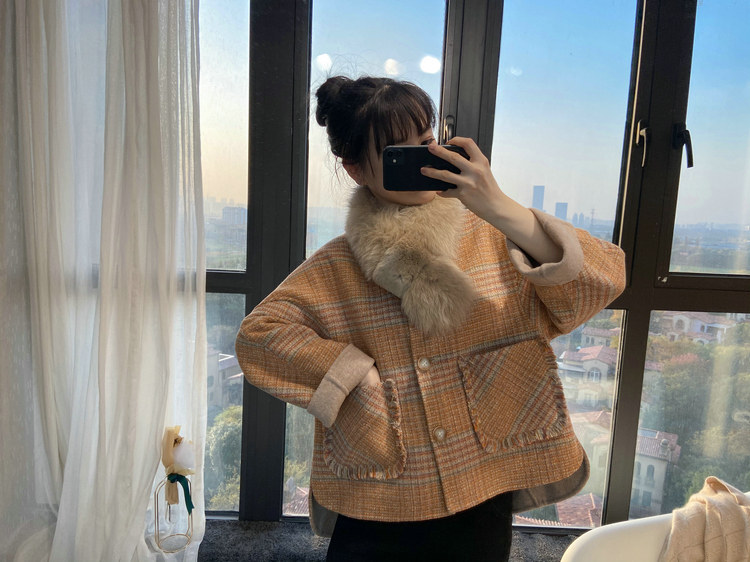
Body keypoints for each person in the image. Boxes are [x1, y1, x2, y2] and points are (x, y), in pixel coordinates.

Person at [235, 75, 626, 561]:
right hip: (380, 491)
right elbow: (258, 337)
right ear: (355, 169)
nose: (422, 160)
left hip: (484, 484)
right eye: (398, 153)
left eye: (426, 142)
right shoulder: (337, 266)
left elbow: (602, 279)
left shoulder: (495, 236)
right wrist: (354, 378)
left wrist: (500, 207)